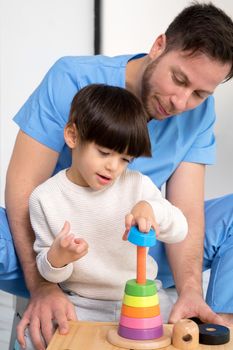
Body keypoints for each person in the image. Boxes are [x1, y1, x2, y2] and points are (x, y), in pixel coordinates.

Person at [2, 2, 233, 349]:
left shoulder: (197, 115)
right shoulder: (71, 76)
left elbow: (185, 211)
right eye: (179, 79)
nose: (181, 102)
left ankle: (213, 322)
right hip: (61, 248)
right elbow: (23, 187)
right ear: (159, 46)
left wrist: (190, 289)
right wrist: (43, 287)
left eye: (200, 94)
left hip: (140, 248)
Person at [21, 83, 188, 349]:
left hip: (145, 300)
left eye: (124, 159)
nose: (113, 167)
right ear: (73, 136)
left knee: (182, 336)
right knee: (37, 339)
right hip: (81, 305)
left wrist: (152, 209)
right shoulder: (45, 198)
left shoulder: (137, 186)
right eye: (104, 153)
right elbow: (46, 270)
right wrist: (58, 258)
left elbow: (180, 229)